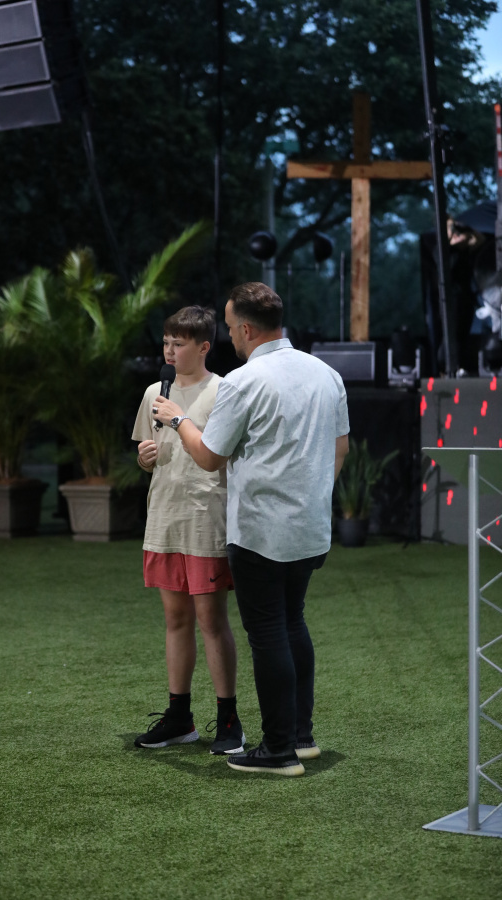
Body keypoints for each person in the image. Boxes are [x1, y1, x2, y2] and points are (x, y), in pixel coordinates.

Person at [154, 283, 349, 776]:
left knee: (268, 633)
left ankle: (278, 751)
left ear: (244, 329)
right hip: (310, 527)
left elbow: (208, 456)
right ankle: (300, 738)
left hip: (261, 530)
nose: (230, 339)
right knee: (293, 622)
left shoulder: (244, 380)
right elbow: (341, 447)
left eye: (229, 328)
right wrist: (312, 496)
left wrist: (178, 420)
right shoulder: (326, 373)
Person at [132, 305, 245, 755]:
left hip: (205, 517)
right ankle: (179, 717)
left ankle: (229, 719)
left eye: (178, 344)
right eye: (166, 342)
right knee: (175, 619)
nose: (169, 351)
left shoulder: (223, 390)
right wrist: (144, 458)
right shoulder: (153, 392)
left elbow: (219, 456)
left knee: (211, 621)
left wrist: (181, 418)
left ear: (203, 347)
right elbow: (150, 451)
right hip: (164, 516)